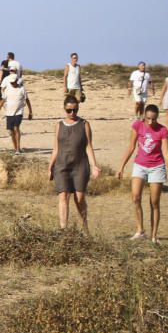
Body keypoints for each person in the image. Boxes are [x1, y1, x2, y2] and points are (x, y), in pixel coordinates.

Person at [117, 104, 168, 244]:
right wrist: (121, 167)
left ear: (157, 118)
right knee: (135, 197)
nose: (150, 122)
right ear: (144, 116)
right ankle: (140, 231)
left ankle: (154, 236)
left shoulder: (162, 130)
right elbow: (131, 147)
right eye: (148, 118)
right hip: (140, 165)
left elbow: (167, 153)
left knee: (154, 202)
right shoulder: (137, 125)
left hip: (157, 167)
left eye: (154, 119)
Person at [49, 95, 101, 232]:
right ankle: (63, 230)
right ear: (64, 109)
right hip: (62, 165)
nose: (72, 113)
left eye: (75, 110)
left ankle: (85, 226)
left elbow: (89, 146)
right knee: (63, 196)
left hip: (80, 166)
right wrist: (50, 167)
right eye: (69, 110)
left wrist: (94, 165)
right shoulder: (59, 125)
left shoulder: (84, 124)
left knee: (79, 198)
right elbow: (55, 148)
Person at [0, 74, 32, 154]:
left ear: (17, 81)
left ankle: (18, 148)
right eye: (11, 83)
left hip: (18, 112)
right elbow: (3, 100)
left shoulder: (22, 89)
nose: (12, 84)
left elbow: (27, 100)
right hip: (9, 113)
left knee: (16, 128)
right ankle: (15, 148)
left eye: (13, 82)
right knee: (11, 131)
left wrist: (30, 112)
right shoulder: (7, 90)